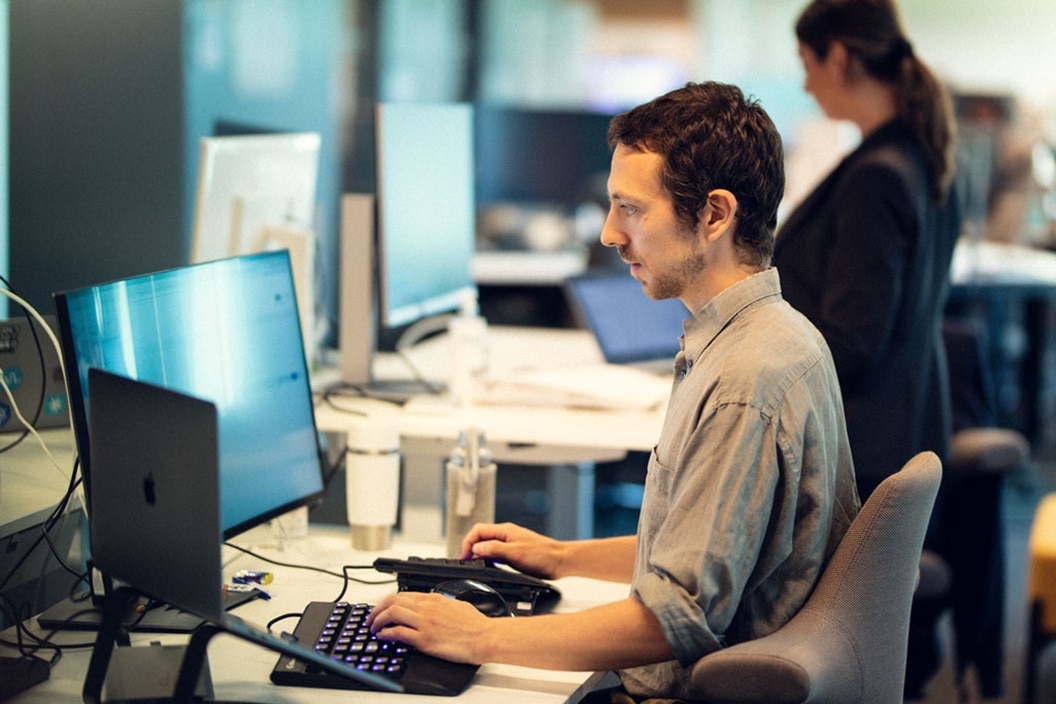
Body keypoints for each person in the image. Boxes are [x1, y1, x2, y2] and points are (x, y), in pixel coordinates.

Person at [366, 81, 860, 701]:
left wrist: (477, 637)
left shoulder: (744, 383)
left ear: (714, 215)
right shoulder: (770, 337)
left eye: (630, 208)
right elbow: (711, 548)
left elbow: (676, 617)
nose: (608, 233)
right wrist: (564, 556)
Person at [771, 1, 964, 697]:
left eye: (807, 65)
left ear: (841, 57)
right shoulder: (921, 156)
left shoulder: (879, 176)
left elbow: (852, 339)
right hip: (902, 425)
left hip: (856, 450)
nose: (805, 84)